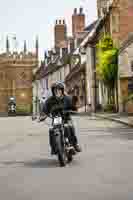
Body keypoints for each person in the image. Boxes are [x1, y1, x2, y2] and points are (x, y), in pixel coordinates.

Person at [42, 81, 81, 154]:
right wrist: (43, 116)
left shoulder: (67, 98)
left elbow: (73, 107)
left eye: (59, 89)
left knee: (70, 126)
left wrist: (75, 108)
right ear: (53, 91)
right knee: (51, 130)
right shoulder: (50, 100)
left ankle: (75, 144)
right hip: (56, 119)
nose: (57, 91)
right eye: (55, 90)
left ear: (62, 90)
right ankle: (54, 147)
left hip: (66, 118)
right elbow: (45, 110)